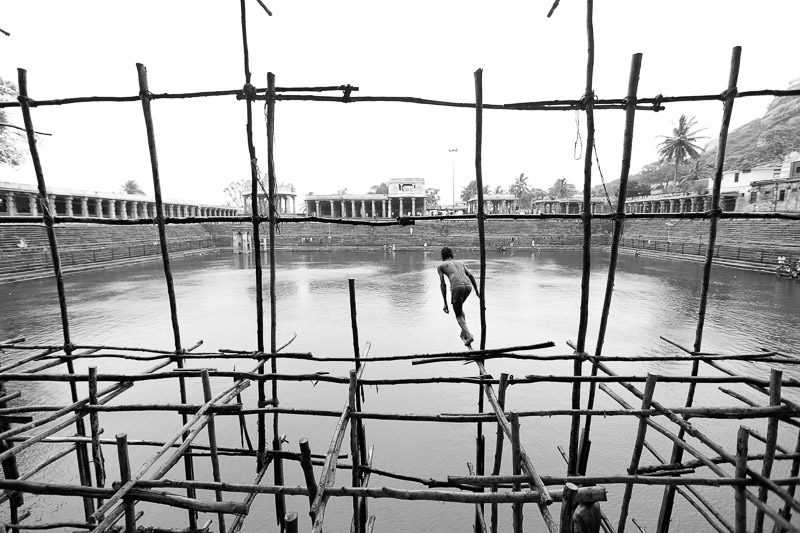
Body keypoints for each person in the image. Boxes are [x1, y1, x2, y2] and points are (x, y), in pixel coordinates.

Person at [437, 246, 480, 346]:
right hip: (468, 286)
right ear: (452, 255)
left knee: (458, 315)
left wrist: (445, 303)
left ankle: (469, 336)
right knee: (459, 309)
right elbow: (471, 275)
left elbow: (443, 284)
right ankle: (463, 331)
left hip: (457, 287)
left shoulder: (441, 266)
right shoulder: (460, 263)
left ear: (442, 256)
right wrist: (477, 291)